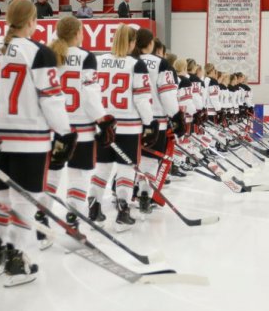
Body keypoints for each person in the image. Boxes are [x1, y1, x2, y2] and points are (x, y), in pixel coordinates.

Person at [0, 0, 75, 286]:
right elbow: (51, 98)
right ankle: (17, 259)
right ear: (33, 20)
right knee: (23, 202)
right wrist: (65, 132)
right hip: (28, 141)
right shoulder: (38, 52)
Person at [46, 16, 116, 230]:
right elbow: (89, 94)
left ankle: (42, 215)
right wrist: (102, 120)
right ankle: (73, 219)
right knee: (79, 175)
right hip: (81, 130)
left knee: (52, 173)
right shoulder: (86, 57)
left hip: (54, 128)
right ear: (77, 32)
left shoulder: (47, 54)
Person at [88, 24, 154, 232]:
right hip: (129, 127)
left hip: (104, 125)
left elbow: (90, 94)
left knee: (102, 167)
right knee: (126, 170)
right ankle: (122, 213)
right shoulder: (136, 65)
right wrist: (150, 122)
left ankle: (93, 208)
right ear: (132, 43)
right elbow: (142, 99)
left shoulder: (97, 61)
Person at [133, 29, 185, 211]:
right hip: (155, 121)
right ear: (151, 44)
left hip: (129, 121)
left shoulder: (128, 60)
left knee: (129, 160)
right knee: (149, 160)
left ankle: (122, 192)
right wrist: (177, 117)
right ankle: (144, 194)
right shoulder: (160, 63)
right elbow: (168, 96)